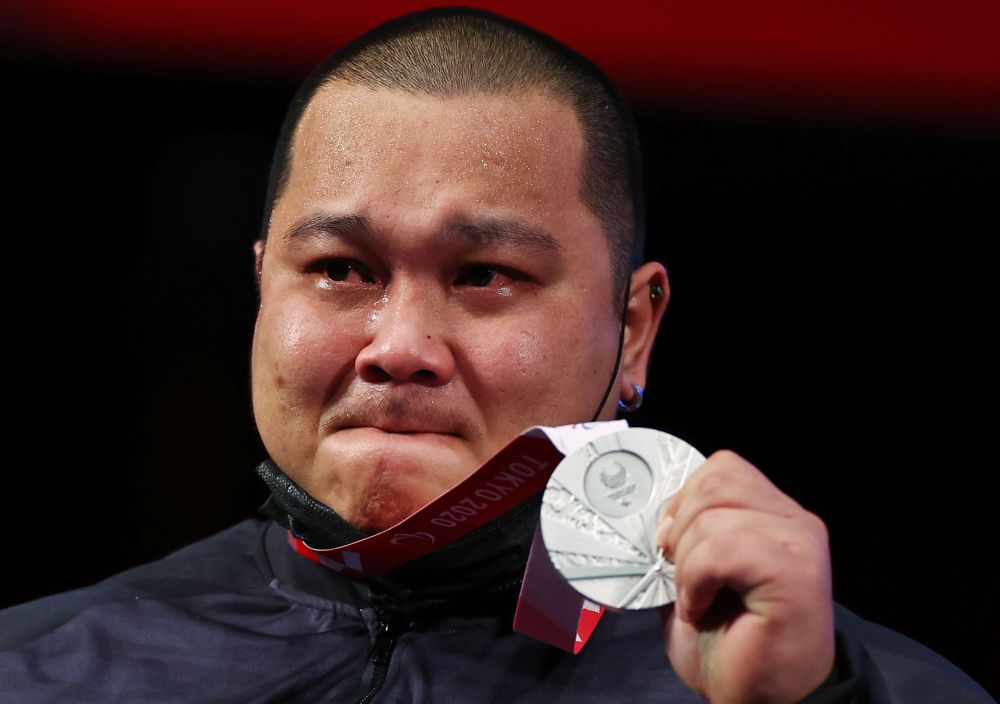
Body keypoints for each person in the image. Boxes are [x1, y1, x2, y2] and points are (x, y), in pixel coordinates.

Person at [0, 8, 993, 703]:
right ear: (264, 287)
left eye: (483, 275)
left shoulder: (847, 689)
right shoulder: (34, 667)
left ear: (633, 327)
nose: (398, 346)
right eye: (341, 267)